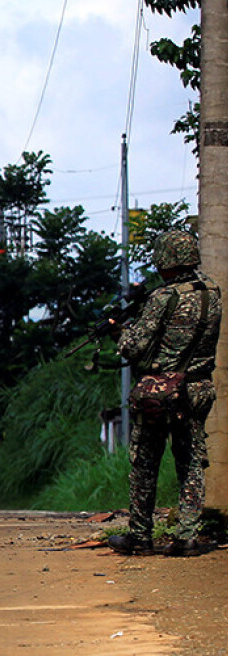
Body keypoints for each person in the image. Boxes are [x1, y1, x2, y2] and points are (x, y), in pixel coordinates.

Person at [110, 230, 221, 557]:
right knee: (189, 461)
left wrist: (120, 330)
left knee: (145, 461)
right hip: (198, 388)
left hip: (161, 393)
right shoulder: (212, 291)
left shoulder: (163, 298)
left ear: (167, 260)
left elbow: (133, 348)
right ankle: (186, 536)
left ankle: (140, 536)